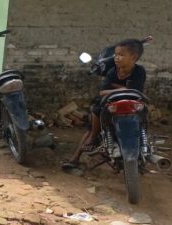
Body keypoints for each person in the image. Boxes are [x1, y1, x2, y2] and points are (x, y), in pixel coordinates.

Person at [62, 39, 147, 171]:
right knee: (97, 110)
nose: (116, 58)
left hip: (132, 103)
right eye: (116, 55)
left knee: (143, 119)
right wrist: (120, 89)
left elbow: (136, 91)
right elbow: (103, 92)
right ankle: (80, 152)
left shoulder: (139, 71)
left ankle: (144, 149)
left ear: (133, 57)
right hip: (112, 101)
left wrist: (116, 88)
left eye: (121, 55)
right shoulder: (112, 72)